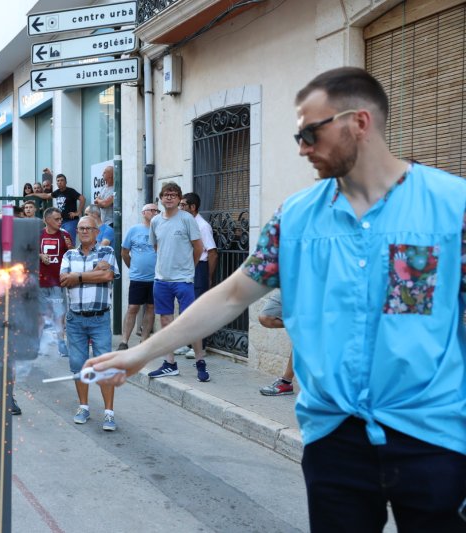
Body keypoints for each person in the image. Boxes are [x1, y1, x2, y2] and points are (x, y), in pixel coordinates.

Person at [89, 67, 466, 531]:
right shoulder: (297, 217)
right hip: (334, 437)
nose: (302, 147)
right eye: (297, 135)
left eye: (311, 132)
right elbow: (230, 295)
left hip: (432, 435)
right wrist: (139, 354)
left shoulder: (453, 206)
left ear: (360, 123)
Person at [60, 216, 120, 431]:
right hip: (75, 319)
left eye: (88, 228)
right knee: (78, 365)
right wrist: (93, 273)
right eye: (80, 228)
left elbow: (107, 275)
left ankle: (109, 413)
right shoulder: (69, 254)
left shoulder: (107, 252)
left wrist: (79, 276)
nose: (84, 231)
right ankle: (83, 407)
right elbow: (64, 279)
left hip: (100, 318)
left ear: (97, 232)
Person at [146, 182, 206, 381]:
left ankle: (200, 361)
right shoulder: (155, 221)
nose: (169, 197)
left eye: (173, 194)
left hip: (184, 280)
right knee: (165, 321)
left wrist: (190, 267)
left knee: (191, 322)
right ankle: (169, 363)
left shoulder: (187, 219)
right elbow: (157, 247)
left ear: (179, 198)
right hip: (161, 280)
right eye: (166, 195)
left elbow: (198, 247)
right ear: (161, 199)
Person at [174, 192, 218, 359]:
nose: (180, 208)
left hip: (199, 268)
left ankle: (201, 346)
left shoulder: (202, 226)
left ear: (193, 207)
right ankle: (187, 343)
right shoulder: (185, 224)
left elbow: (212, 253)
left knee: (197, 309)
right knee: (185, 307)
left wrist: (208, 276)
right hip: (185, 268)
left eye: (183, 205)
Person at [118, 204, 159, 350]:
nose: (155, 212)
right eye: (152, 210)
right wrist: (133, 267)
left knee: (151, 307)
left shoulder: (160, 230)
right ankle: (124, 341)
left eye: (157, 210)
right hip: (137, 278)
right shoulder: (134, 230)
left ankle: (144, 341)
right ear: (143, 213)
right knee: (133, 307)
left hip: (156, 278)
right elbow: (124, 252)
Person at [38, 207, 72, 357]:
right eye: (56, 219)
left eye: (61, 219)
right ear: (47, 220)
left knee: (59, 314)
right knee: (39, 315)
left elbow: (72, 255)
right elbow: (26, 252)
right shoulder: (37, 234)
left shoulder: (65, 235)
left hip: (57, 283)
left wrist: (70, 247)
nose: (60, 221)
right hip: (40, 282)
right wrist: (40, 255)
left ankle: (61, 343)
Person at [256, 291, 294, 396]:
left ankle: (286, 383)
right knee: (266, 318)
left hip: (317, 285)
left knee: (305, 334)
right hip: (292, 284)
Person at [30, 173, 84, 243]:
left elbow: (82, 199)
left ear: (65, 182)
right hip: (60, 221)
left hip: (70, 221)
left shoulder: (71, 191)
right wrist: (34, 194)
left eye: (62, 180)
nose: (60, 182)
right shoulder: (57, 192)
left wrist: (78, 212)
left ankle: (70, 254)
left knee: (69, 241)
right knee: (61, 241)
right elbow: (46, 195)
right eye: (58, 181)